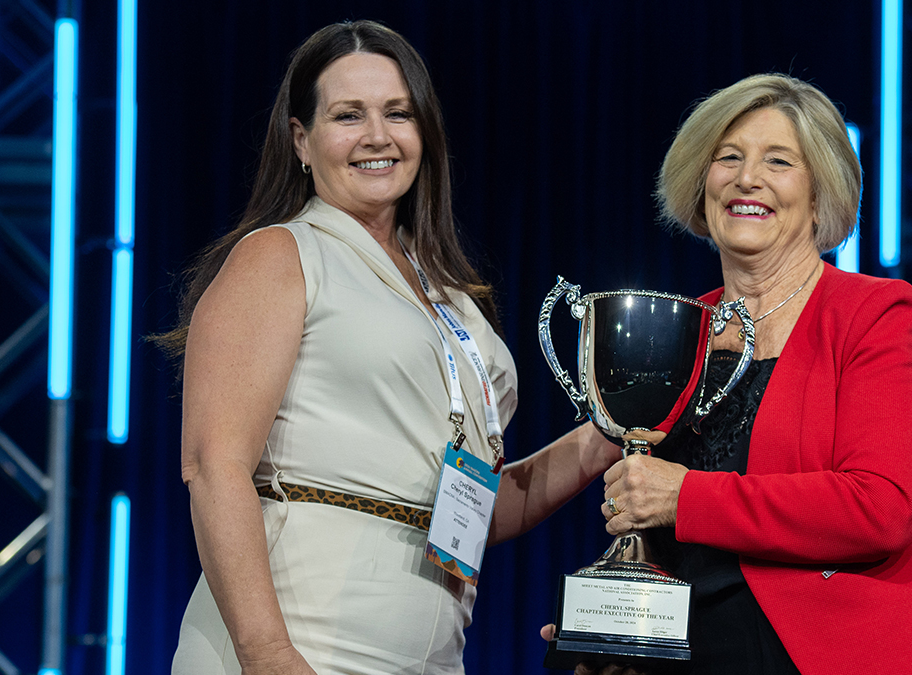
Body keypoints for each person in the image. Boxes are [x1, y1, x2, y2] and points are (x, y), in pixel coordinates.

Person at [162, 21, 618, 675]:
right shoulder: (282, 254)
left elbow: (479, 507)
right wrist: (267, 653)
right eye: (349, 115)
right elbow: (214, 465)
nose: (377, 136)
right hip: (301, 646)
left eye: (397, 113)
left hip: (432, 656)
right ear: (301, 140)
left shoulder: (452, 298)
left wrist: (612, 429)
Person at [579, 74, 912, 674]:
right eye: (729, 157)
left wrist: (685, 495)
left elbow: (884, 506)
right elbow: (586, 478)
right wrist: (615, 630)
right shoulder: (677, 335)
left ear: (821, 195)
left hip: (847, 652)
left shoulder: (873, 313)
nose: (748, 178)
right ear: (701, 183)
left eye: (778, 161)